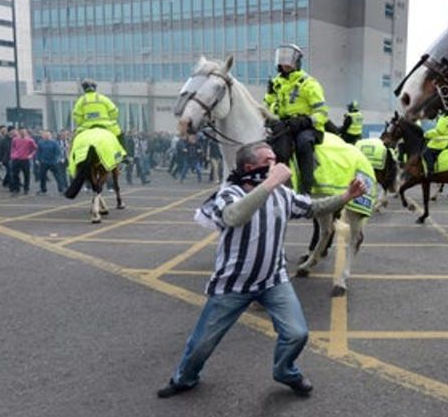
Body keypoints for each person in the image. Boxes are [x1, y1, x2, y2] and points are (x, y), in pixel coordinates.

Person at [157, 141, 367, 398]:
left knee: (297, 334)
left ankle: (285, 371)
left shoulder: (283, 194)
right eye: (269, 161)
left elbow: (313, 208)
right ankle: (184, 378)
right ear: (250, 167)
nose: (277, 164)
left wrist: (346, 196)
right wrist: (270, 183)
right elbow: (234, 216)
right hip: (233, 284)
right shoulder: (229, 193)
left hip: (273, 280)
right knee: (202, 343)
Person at [265, 44, 329, 194]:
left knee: (303, 143)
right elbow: (268, 107)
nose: (285, 64)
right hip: (284, 125)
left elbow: (322, 113)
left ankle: (306, 187)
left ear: (297, 62)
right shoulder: (276, 84)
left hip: (307, 127)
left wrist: (305, 121)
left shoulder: (310, 84)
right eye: (282, 60)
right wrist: (269, 95)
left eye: (289, 60)